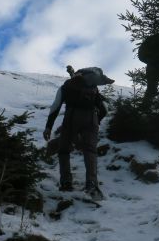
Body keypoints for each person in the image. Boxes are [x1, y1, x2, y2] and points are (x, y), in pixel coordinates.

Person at [43, 67, 113, 199]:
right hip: (91, 118)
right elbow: (104, 108)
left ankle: (66, 183)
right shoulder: (93, 88)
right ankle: (92, 184)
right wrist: (96, 122)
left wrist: (48, 127)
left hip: (71, 117)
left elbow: (55, 106)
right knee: (90, 151)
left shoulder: (66, 87)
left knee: (64, 150)